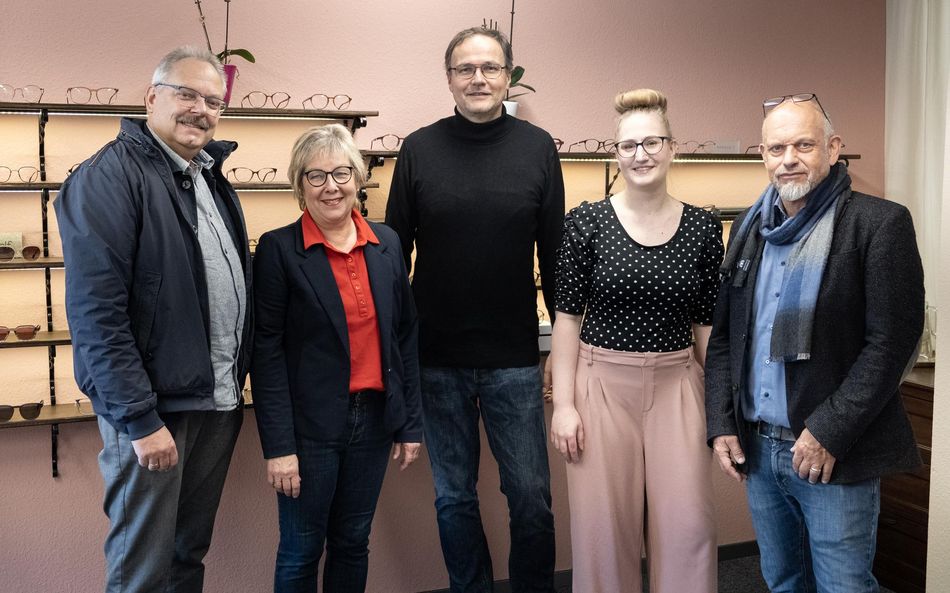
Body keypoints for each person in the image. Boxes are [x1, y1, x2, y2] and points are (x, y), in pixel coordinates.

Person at [705, 93, 924, 592]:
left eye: (804, 144)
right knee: (783, 581)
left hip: (833, 453)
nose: (789, 159)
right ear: (761, 155)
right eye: (776, 147)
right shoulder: (747, 230)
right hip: (760, 451)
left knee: (844, 585)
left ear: (833, 148)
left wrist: (827, 430)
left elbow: (891, 343)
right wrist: (721, 422)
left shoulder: (878, 224)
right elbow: (726, 339)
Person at [56, 47, 251, 593]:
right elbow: (96, 315)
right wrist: (139, 419)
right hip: (154, 411)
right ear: (151, 97)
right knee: (142, 567)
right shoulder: (108, 177)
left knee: (188, 553)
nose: (201, 109)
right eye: (186, 94)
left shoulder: (208, 175)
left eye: (213, 101)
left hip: (213, 399)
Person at [384, 26, 563, 593]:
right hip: (436, 361)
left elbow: (556, 258)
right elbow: (393, 254)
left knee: (531, 496)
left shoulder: (538, 148)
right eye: (466, 69)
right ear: (450, 79)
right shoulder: (418, 149)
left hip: (514, 357)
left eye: (489, 67)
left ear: (508, 76)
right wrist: (395, 352)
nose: (478, 78)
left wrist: (564, 347)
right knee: (454, 497)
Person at [549, 89, 722, 593]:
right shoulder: (586, 223)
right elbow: (567, 322)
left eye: (651, 142)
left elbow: (707, 326)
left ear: (672, 148)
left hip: (678, 387)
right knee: (604, 534)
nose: (640, 154)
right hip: (600, 387)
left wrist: (724, 408)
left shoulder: (704, 228)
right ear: (615, 153)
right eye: (628, 146)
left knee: (689, 528)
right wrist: (564, 406)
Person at [251, 124, 423, 593]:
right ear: (299, 186)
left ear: (358, 178)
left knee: (352, 541)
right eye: (316, 176)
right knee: (302, 548)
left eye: (341, 173)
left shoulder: (386, 244)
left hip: (373, 422)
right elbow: (265, 354)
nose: (331, 186)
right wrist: (279, 448)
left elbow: (404, 337)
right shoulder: (278, 250)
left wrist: (408, 422)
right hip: (309, 431)